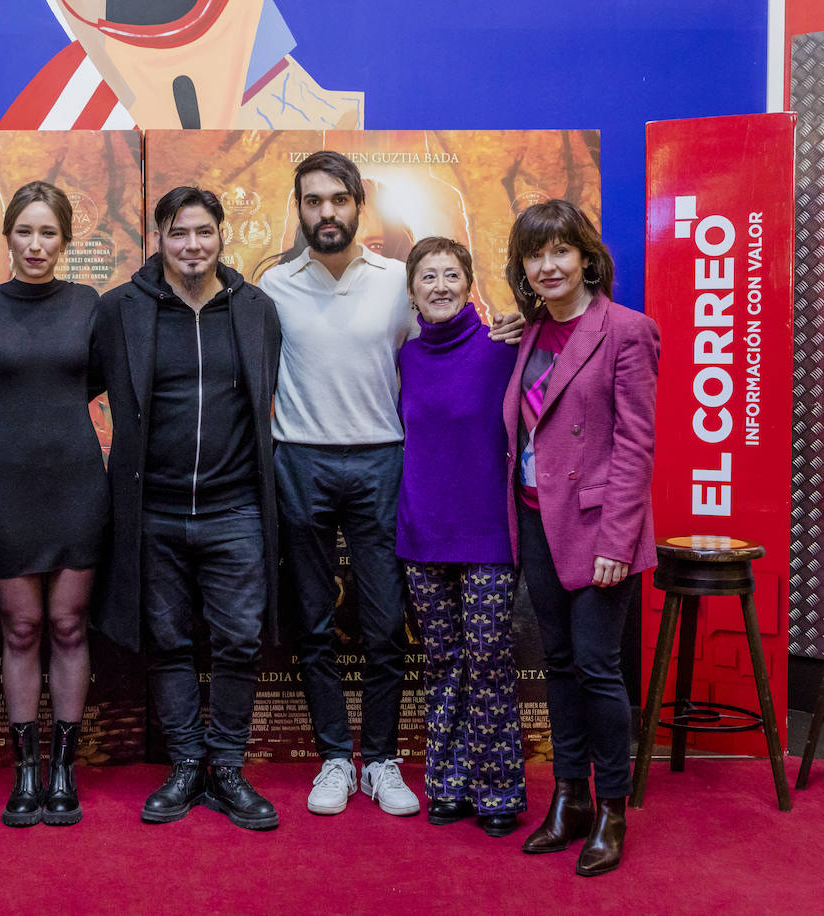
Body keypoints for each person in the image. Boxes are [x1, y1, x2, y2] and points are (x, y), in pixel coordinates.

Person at [259, 150, 524, 820]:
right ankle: (333, 760)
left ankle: (378, 760)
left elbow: (445, 347)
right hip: (300, 460)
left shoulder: (394, 282)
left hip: (382, 462)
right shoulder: (272, 285)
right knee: (314, 624)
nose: (326, 212)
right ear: (300, 209)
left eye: (338, 200)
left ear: (357, 205)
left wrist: (510, 330)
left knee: (384, 625)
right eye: (313, 201)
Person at [90, 186, 282, 830]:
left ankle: (226, 768)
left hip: (236, 510)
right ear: (159, 239)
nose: (192, 246)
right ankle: (184, 766)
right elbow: (67, 380)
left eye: (203, 232)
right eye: (178, 234)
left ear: (222, 235)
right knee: (168, 642)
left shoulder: (255, 309)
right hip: (155, 512)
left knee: (237, 640)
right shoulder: (120, 309)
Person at [502, 199, 658, 877]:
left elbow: (635, 445)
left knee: (597, 668)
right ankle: (569, 800)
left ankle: (613, 809)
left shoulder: (627, 330)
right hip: (536, 517)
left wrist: (618, 544)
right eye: (535, 255)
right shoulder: (531, 334)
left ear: (587, 257)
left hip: (600, 530)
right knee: (558, 664)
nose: (548, 265)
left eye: (560, 251)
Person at [0, 181, 107, 828]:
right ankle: (25, 772)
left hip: (76, 481)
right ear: (8, 237)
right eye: (26, 232)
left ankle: (63, 770)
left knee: (70, 625)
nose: (36, 244)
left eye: (49, 233)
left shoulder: (89, 304)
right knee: (19, 627)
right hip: (7, 485)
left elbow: (99, 378)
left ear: (64, 240)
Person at [395, 237, 526, 838]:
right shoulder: (405, 358)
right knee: (441, 662)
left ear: (469, 282)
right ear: (412, 290)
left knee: (490, 660)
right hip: (422, 532)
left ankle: (498, 786)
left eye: (451, 274)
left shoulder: (507, 347)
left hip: (489, 535)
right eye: (428, 277)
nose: (440, 286)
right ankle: (447, 784)